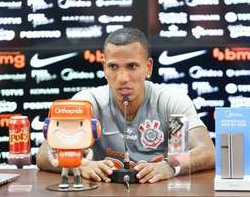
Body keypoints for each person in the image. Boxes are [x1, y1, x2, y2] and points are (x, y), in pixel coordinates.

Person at [36, 27, 215, 184]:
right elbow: (44, 154)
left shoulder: (171, 101)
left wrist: (171, 165)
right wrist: (79, 165)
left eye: (132, 66)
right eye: (113, 67)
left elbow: (207, 151)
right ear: (104, 68)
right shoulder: (87, 103)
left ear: (148, 67)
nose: (123, 78)